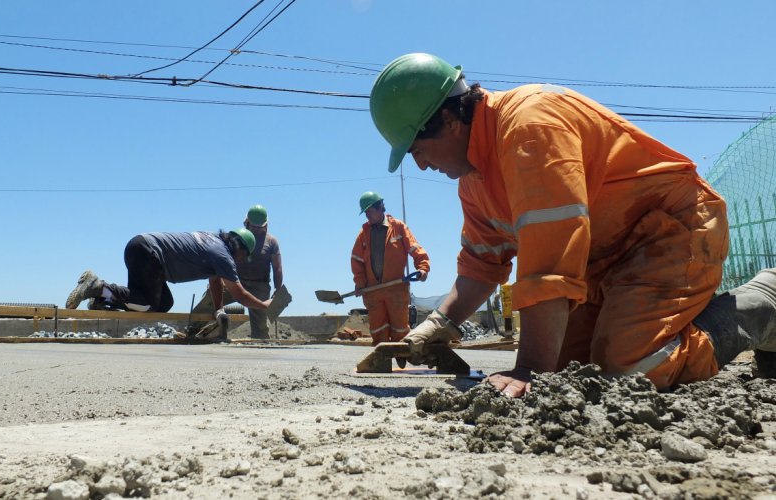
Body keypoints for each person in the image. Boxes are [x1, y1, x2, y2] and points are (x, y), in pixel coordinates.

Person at [368, 52, 776, 397]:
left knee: (628, 369)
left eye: (417, 149)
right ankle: (660, 319)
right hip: (601, 263)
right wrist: (439, 324)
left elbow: (552, 257)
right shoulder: (475, 180)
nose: (420, 163)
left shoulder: (529, 127)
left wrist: (528, 368)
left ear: (449, 121)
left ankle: (762, 305)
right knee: (573, 374)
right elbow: (481, 264)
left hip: (669, 231)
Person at [65, 228, 272, 338]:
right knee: (148, 304)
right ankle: (97, 287)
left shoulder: (214, 241)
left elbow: (215, 279)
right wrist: (264, 305)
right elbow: (239, 294)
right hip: (148, 253)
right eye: (244, 257)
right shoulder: (223, 255)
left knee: (164, 303)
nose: (241, 261)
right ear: (241, 249)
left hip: (141, 247)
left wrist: (218, 309)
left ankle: (103, 298)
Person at [193, 205, 284, 339]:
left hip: (259, 285)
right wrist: (217, 282)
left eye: (259, 228)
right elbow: (223, 259)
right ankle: (191, 331)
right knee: (209, 301)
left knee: (261, 326)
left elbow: (277, 267)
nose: (255, 230)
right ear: (246, 222)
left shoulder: (271, 242)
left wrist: (278, 289)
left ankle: (260, 346)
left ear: (265, 225)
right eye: (252, 227)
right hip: (234, 281)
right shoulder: (237, 237)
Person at [351, 191, 430, 345]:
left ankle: (401, 357)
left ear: (380, 208)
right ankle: (382, 362)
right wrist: (360, 283)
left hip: (396, 289)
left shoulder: (398, 228)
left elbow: (415, 248)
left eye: (369, 211)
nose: (367, 215)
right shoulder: (364, 234)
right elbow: (356, 261)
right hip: (373, 291)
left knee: (400, 329)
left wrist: (422, 268)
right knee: (378, 331)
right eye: (365, 212)